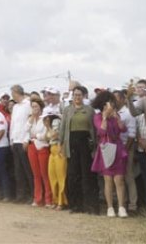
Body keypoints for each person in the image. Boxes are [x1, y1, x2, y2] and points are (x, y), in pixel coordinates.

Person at [59, 85, 98, 214]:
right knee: (73, 174)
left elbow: (94, 128)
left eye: (79, 95)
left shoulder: (89, 110)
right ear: (72, 96)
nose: (77, 97)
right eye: (75, 95)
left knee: (87, 175)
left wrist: (95, 146)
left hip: (86, 144)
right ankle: (75, 205)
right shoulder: (67, 110)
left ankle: (90, 206)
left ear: (84, 96)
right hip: (71, 143)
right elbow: (63, 128)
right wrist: (61, 144)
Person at [90, 90, 128, 218]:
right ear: (103, 104)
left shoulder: (117, 116)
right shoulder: (98, 117)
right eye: (109, 102)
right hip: (106, 149)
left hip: (118, 148)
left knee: (120, 179)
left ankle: (122, 207)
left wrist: (117, 119)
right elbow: (101, 132)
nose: (112, 105)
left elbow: (122, 129)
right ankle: (110, 207)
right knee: (108, 179)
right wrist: (105, 117)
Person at [25, 97, 52, 207]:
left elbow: (46, 136)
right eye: (32, 107)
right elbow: (25, 130)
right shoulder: (31, 119)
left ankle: (48, 199)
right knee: (36, 175)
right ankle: (37, 198)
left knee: (44, 174)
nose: (34, 108)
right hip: (32, 147)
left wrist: (36, 136)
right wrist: (31, 119)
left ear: (40, 107)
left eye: (36, 106)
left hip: (42, 147)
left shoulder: (44, 119)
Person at [10, 84, 34, 203]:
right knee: (18, 170)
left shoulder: (28, 104)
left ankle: (32, 194)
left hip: (24, 141)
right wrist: (11, 139)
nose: (12, 95)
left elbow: (30, 122)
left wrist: (27, 139)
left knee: (27, 169)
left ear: (17, 92)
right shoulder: (15, 107)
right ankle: (21, 195)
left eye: (12, 93)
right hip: (15, 141)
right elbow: (13, 124)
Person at [44, 108, 67, 210]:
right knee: (52, 176)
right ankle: (56, 200)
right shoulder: (51, 123)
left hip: (58, 148)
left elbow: (54, 135)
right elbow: (47, 137)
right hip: (52, 149)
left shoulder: (56, 121)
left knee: (60, 176)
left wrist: (48, 127)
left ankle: (61, 202)